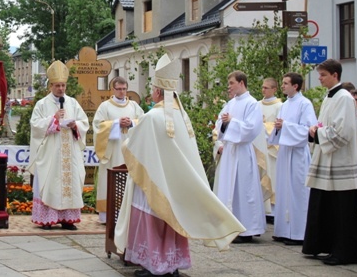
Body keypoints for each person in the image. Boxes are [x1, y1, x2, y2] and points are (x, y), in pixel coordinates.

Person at [115, 54, 244, 277]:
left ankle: (155, 265)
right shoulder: (183, 117)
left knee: (154, 221)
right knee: (174, 220)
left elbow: (133, 146)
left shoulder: (152, 117)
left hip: (154, 181)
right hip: (176, 184)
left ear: (157, 92)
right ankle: (172, 265)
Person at [303, 59, 357, 266]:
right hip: (328, 159)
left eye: (322, 75)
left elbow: (343, 132)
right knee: (328, 207)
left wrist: (318, 132)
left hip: (342, 161)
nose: (319, 79)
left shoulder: (345, 98)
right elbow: (327, 125)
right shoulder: (330, 97)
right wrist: (315, 130)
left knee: (343, 211)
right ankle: (330, 247)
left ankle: (345, 252)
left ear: (335, 75)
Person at [28, 60, 89, 230]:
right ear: (50, 86)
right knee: (51, 183)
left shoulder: (72, 103)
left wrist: (75, 125)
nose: (61, 89)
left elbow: (84, 122)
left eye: (63, 85)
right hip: (50, 154)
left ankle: (67, 220)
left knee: (69, 182)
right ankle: (47, 219)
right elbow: (35, 125)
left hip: (70, 153)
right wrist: (53, 119)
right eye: (57, 85)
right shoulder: (42, 104)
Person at [213, 70, 266, 243]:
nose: (229, 87)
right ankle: (229, 226)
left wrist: (231, 122)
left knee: (244, 189)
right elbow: (219, 123)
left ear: (241, 83)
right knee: (228, 187)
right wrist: (225, 124)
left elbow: (252, 128)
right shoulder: (230, 103)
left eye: (231, 83)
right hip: (229, 151)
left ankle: (247, 228)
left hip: (242, 151)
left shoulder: (252, 104)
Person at [268, 72, 317, 246]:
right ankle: (283, 230)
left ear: (295, 86)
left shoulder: (305, 104)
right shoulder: (285, 104)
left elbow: (308, 130)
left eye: (285, 83)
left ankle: (298, 232)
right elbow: (280, 128)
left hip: (297, 154)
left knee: (298, 191)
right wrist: (279, 128)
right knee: (283, 190)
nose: (282, 86)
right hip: (285, 152)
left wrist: (285, 126)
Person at [92, 76, 144, 224]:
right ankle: (107, 216)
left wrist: (132, 123)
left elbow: (145, 122)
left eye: (124, 89)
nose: (122, 92)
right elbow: (98, 126)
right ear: (112, 90)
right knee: (110, 180)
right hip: (112, 151)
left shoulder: (134, 106)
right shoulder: (105, 106)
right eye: (119, 89)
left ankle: (128, 215)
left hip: (130, 151)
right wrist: (115, 123)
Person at [259, 77, 282, 220]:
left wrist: (263, 125)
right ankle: (263, 208)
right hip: (260, 147)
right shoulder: (256, 104)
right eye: (262, 87)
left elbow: (278, 126)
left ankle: (273, 211)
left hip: (273, 148)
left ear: (274, 89)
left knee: (273, 177)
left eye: (266, 88)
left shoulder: (280, 106)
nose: (263, 90)